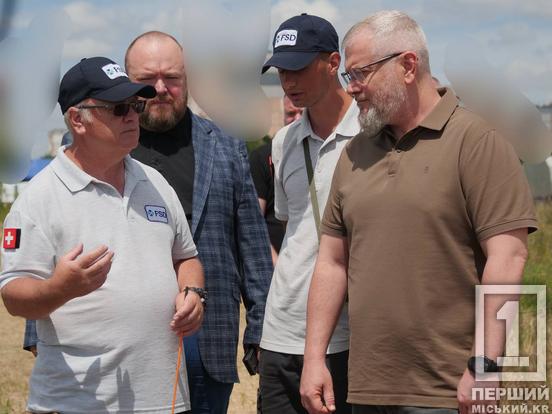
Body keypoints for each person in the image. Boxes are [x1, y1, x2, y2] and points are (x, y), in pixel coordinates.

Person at [300, 10, 538, 414]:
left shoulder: (477, 142)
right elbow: (332, 263)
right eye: (348, 75)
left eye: (361, 73)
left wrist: (485, 366)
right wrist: (313, 358)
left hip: (449, 391)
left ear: (408, 66)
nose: (352, 88)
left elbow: (508, 257)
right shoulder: (355, 153)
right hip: (367, 389)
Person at [1, 56, 205, 413]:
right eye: (118, 108)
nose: (132, 116)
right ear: (77, 119)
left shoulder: (155, 182)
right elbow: (14, 297)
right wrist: (60, 289)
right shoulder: (39, 197)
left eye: (136, 105)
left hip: (164, 400)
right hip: (77, 403)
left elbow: (185, 257)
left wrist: (193, 292)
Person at [124, 31, 273, 414]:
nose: (161, 89)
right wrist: (39, 326)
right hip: (123, 340)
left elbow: (253, 246)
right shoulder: (105, 146)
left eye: (172, 77)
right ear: (127, 83)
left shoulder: (226, 145)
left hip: (207, 339)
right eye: (147, 79)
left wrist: (261, 326)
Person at [259, 13, 359, 414]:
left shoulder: (374, 133)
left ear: (333, 63)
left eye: (298, 68)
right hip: (281, 328)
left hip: (347, 334)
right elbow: (291, 228)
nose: (288, 82)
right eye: (281, 70)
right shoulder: (284, 140)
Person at [249, 95, 303, 264]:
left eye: (302, 113)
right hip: (277, 262)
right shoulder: (263, 157)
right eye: (291, 114)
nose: (297, 119)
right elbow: (255, 221)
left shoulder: (322, 153)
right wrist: (277, 264)